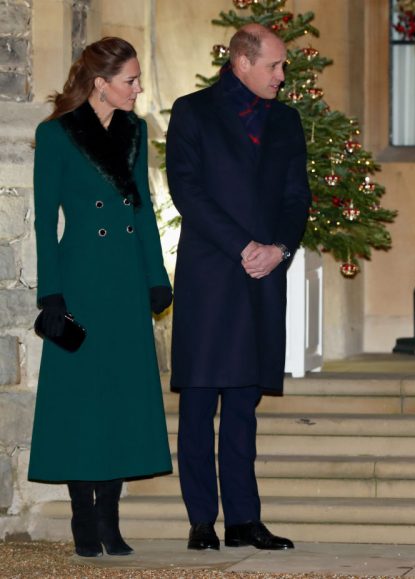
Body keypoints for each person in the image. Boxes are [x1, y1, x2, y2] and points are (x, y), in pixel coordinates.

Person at [165, 23, 310, 551]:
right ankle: (202, 520)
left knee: (244, 405)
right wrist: (243, 246)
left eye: (283, 65)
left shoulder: (287, 120)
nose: (281, 74)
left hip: (263, 277)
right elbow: (187, 190)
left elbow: (298, 198)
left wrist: (279, 249)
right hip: (211, 275)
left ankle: (245, 520)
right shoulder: (192, 111)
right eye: (274, 65)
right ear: (242, 63)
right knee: (200, 404)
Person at [28, 37, 173, 558]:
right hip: (82, 279)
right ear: (101, 83)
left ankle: (111, 520)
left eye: (137, 79)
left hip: (126, 282)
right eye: (130, 80)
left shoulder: (135, 131)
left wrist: (156, 275)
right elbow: (45, 222)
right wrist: (51, 294)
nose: (138, 88)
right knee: (80, 399)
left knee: (121, 397)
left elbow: (143, 210)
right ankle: (83, 517)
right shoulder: (57, 135)